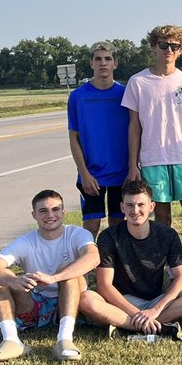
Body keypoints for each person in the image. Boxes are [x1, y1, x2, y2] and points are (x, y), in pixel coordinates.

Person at [122, 24, 182, 286]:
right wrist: (133, 165)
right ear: (153, 46)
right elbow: (134, 126)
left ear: (181, 50)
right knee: (162, 221)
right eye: (163, 45)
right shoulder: (138, 82)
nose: (168, 50)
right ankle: (169, 273)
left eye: (174, 46)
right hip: (152, 161)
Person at [0, 189, 98, 363]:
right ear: (34, 215)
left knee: (67, 272)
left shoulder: (77, 234)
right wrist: (12, 280)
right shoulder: (26, 242)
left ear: (64, 212)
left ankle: (64, 340)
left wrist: (54, 277)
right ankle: (11, 341)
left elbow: (93, 257)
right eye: (43, 211)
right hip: (37, 305)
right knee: (0, 280)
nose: (50, 215)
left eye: (55, 209)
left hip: (73, 303)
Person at [77, 179, 182, 339]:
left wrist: (156, 309)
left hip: (155, 302)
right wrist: (136, 313)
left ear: (151, 207)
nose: (135, 210)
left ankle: (126, 327)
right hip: (120, 303)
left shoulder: (167, 234)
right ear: (122, 207)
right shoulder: (109, 236)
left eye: (141, 205)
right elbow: (104, 286)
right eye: (129, 205)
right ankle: (154, 326)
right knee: (86, 299)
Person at [67, 41, 129, 237]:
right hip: (92, 174)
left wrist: (134, 167)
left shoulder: (126, 94)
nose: (103, 63)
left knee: (117, 226)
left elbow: (136, 131)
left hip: (122, 173)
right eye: (98, 59)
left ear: (115, 64)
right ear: (91, 63)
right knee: (91, 226)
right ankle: (88, 266)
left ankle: (113, 265)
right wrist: (84, 173)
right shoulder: (78, 96)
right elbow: (74, 138)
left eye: (108, 59)